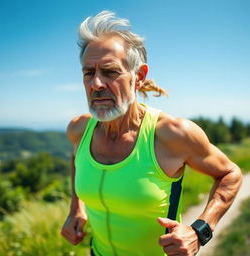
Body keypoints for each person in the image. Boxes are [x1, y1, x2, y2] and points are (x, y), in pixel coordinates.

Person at [61, 11, 242, 256]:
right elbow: (76, 158)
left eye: (110, 71)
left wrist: (200, 230)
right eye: (88, 73)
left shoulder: (171, 134)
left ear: (139, 76)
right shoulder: (78, 130)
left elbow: (230, 173)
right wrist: (76, 207)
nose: (96, 84)